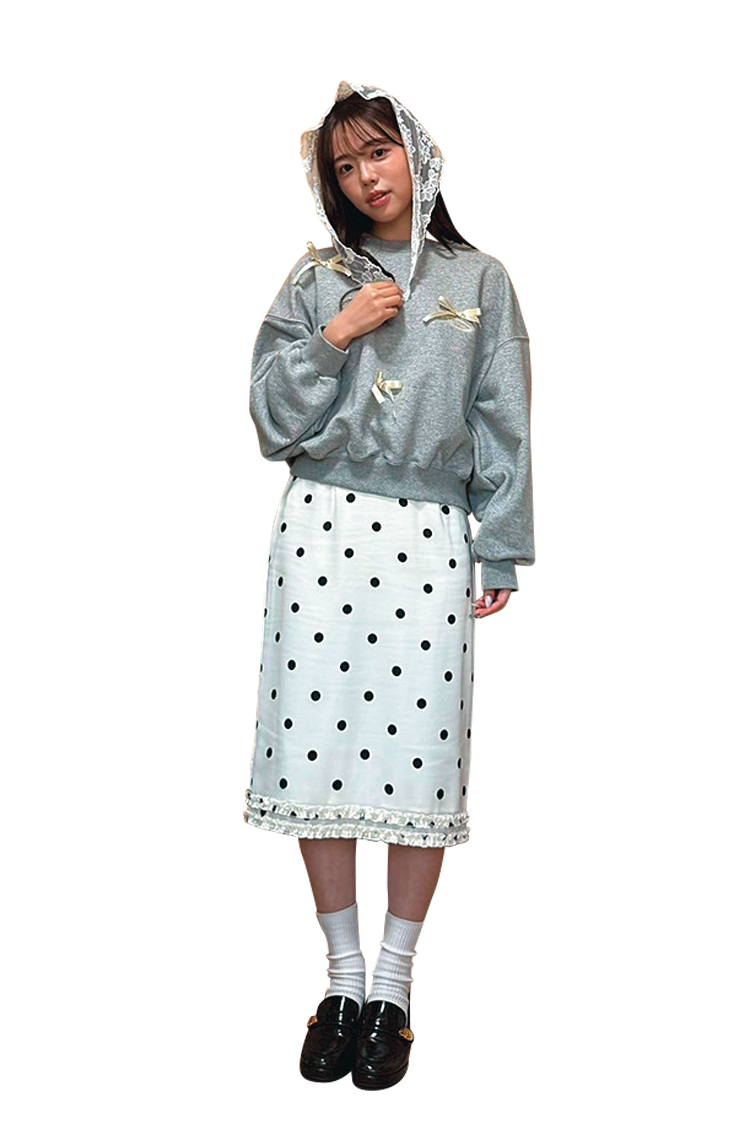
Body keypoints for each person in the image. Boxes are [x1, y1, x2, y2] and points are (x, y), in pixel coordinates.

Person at [243, 80, 535, 1089]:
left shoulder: (480, 279)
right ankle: (341, 978)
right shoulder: (316, 277)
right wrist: (336, 334)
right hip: (322, 527)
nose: (366, 176)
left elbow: (503, 418)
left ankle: (396, 987)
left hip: (427, 535)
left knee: (421, 758)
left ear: (417, 151)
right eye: (345, 164)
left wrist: (499, 546)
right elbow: (270, 419)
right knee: (315, 748)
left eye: (379, 151)